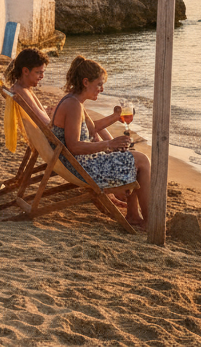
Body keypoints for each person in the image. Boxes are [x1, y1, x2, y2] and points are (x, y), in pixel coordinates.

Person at [51, 56, 150, 228]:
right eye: (99, 84)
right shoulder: (73, 106)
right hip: (81, 167)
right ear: (85, 82)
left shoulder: (74, 101)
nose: (102, 89)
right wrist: (109, 144)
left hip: (77, 162)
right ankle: (149, 221)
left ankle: (134, 215)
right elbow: (74, 146)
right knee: (141, 160)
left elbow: (92, 128)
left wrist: (115, 117)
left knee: (131, 157)